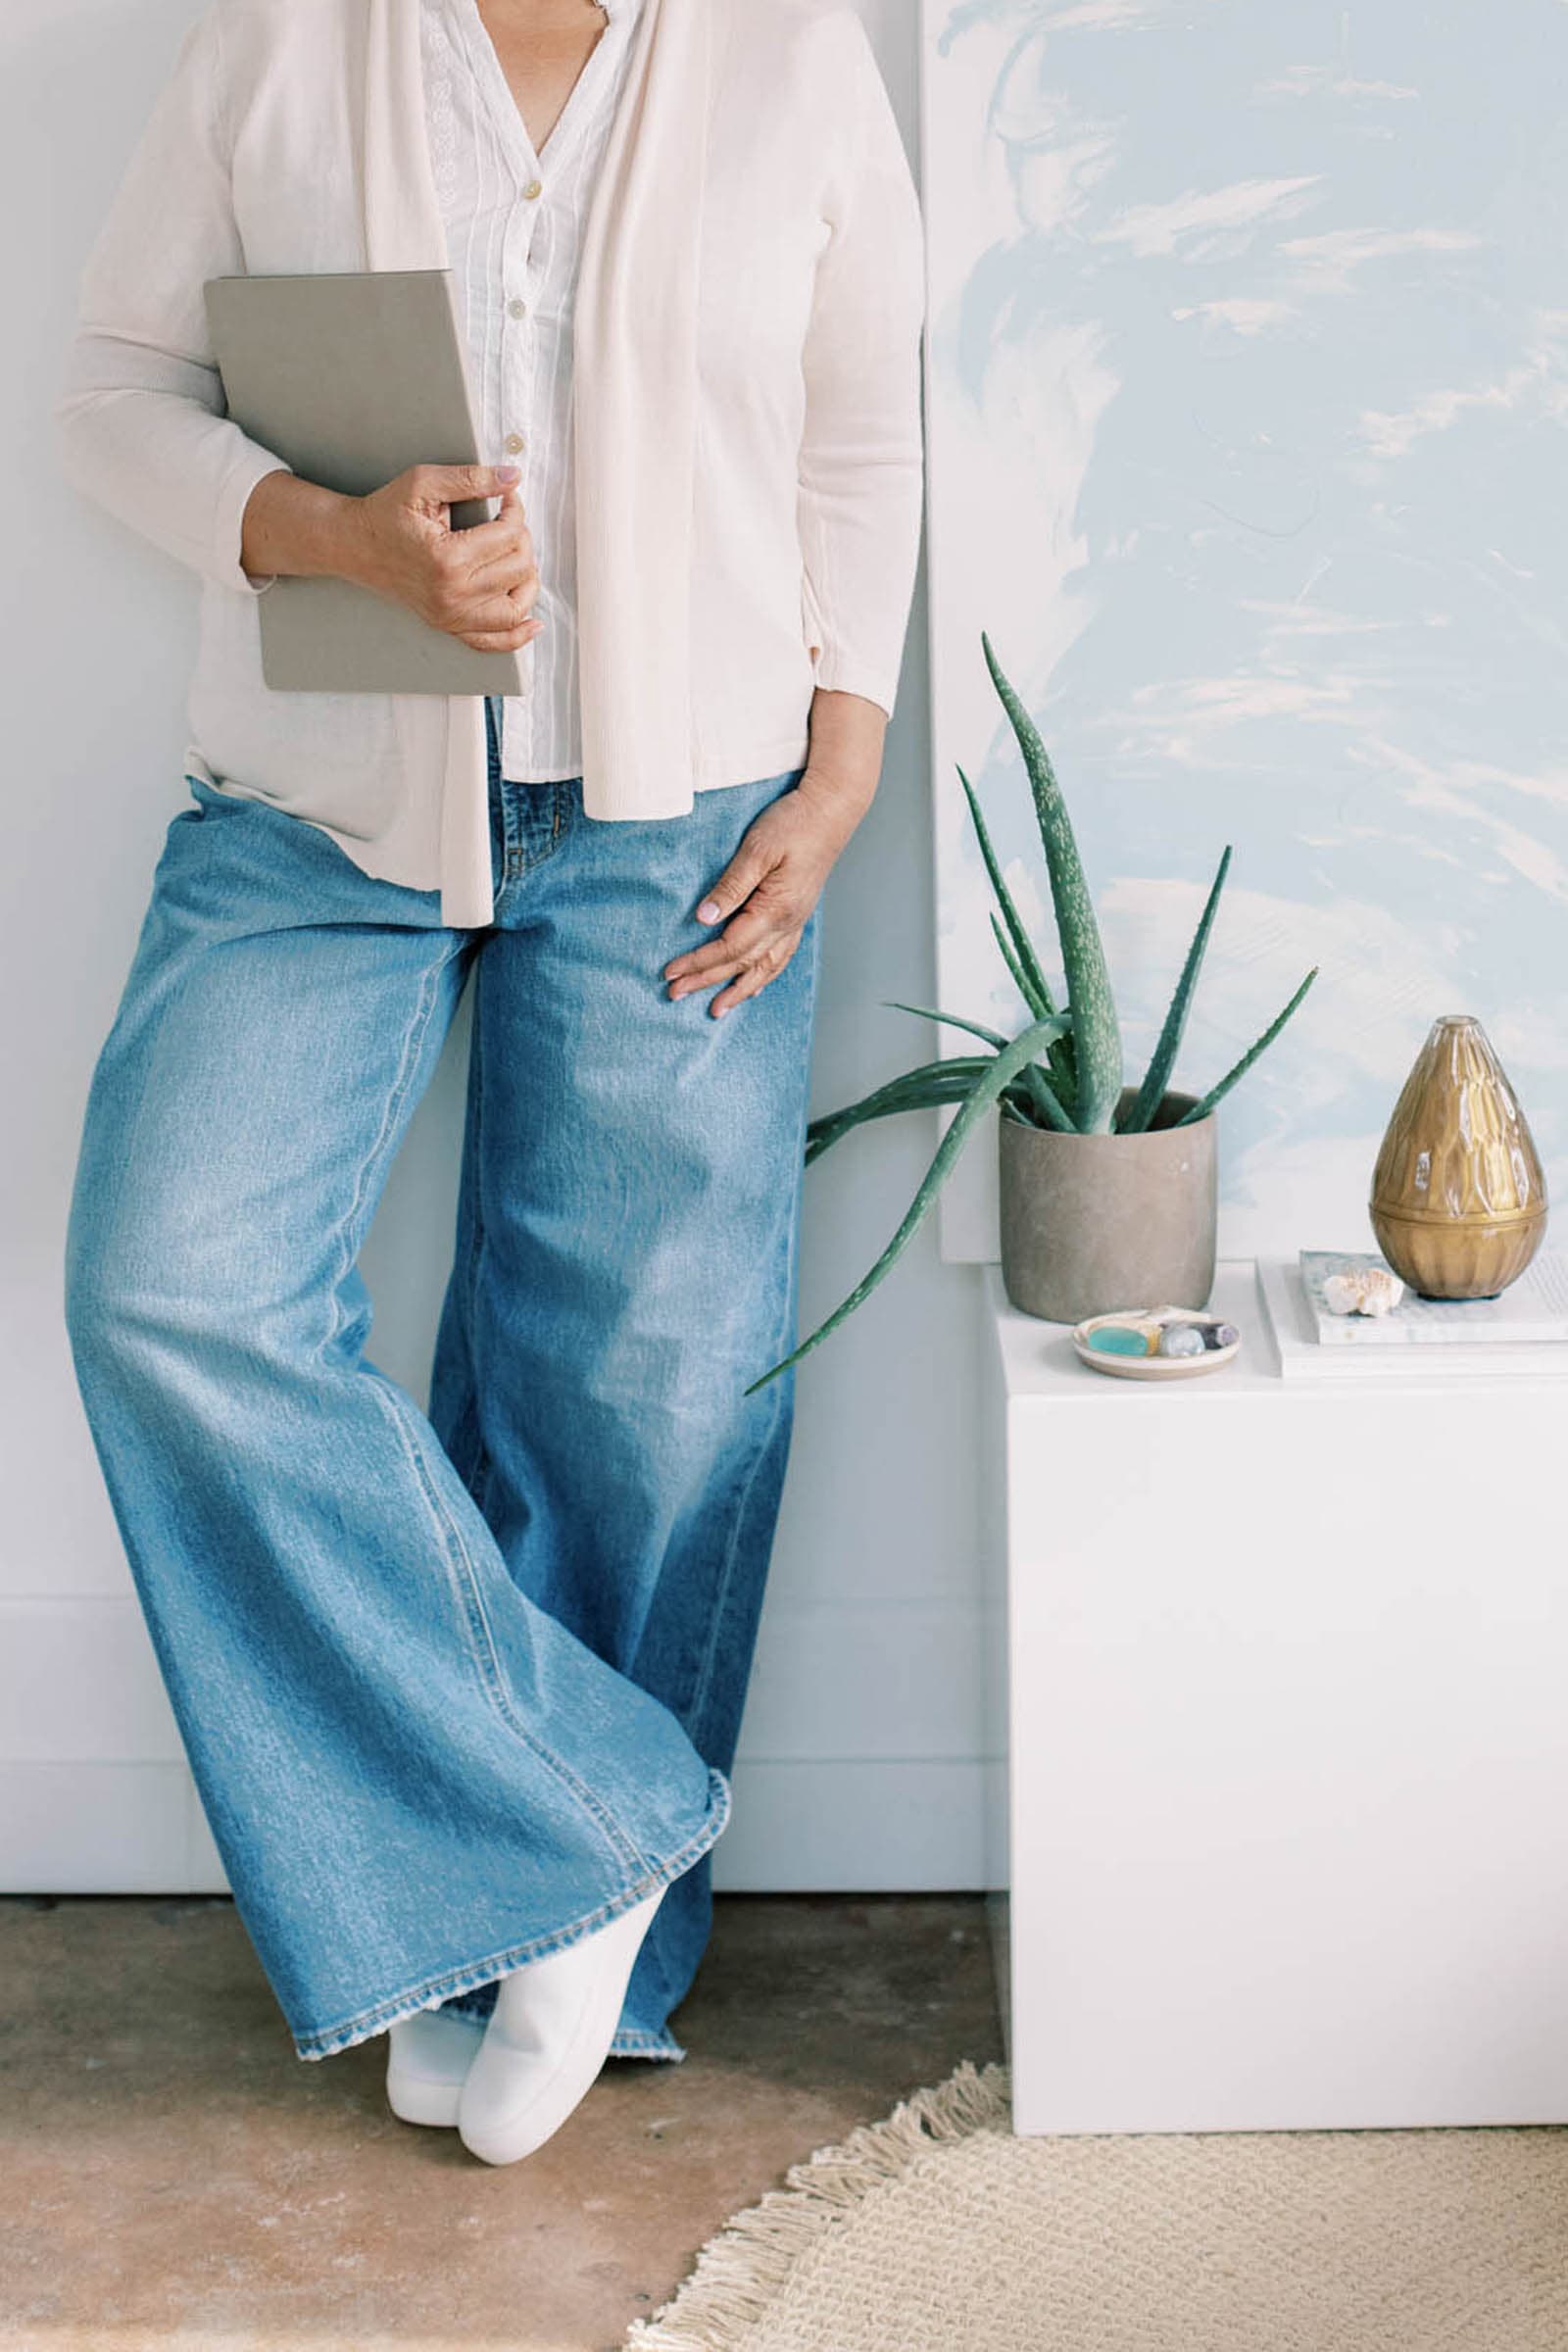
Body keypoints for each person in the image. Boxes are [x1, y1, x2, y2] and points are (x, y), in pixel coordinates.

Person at [53, 0, 925, 2167]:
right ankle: (579, 1840)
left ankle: (555, 1960)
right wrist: (331, 537)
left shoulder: (789, 55)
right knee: (176, 1298)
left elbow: (859, 431)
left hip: (690, 797)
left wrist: (845, 755)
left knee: (635, 1384)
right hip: (318, 795)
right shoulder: (279, 44)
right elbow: (113, 394)